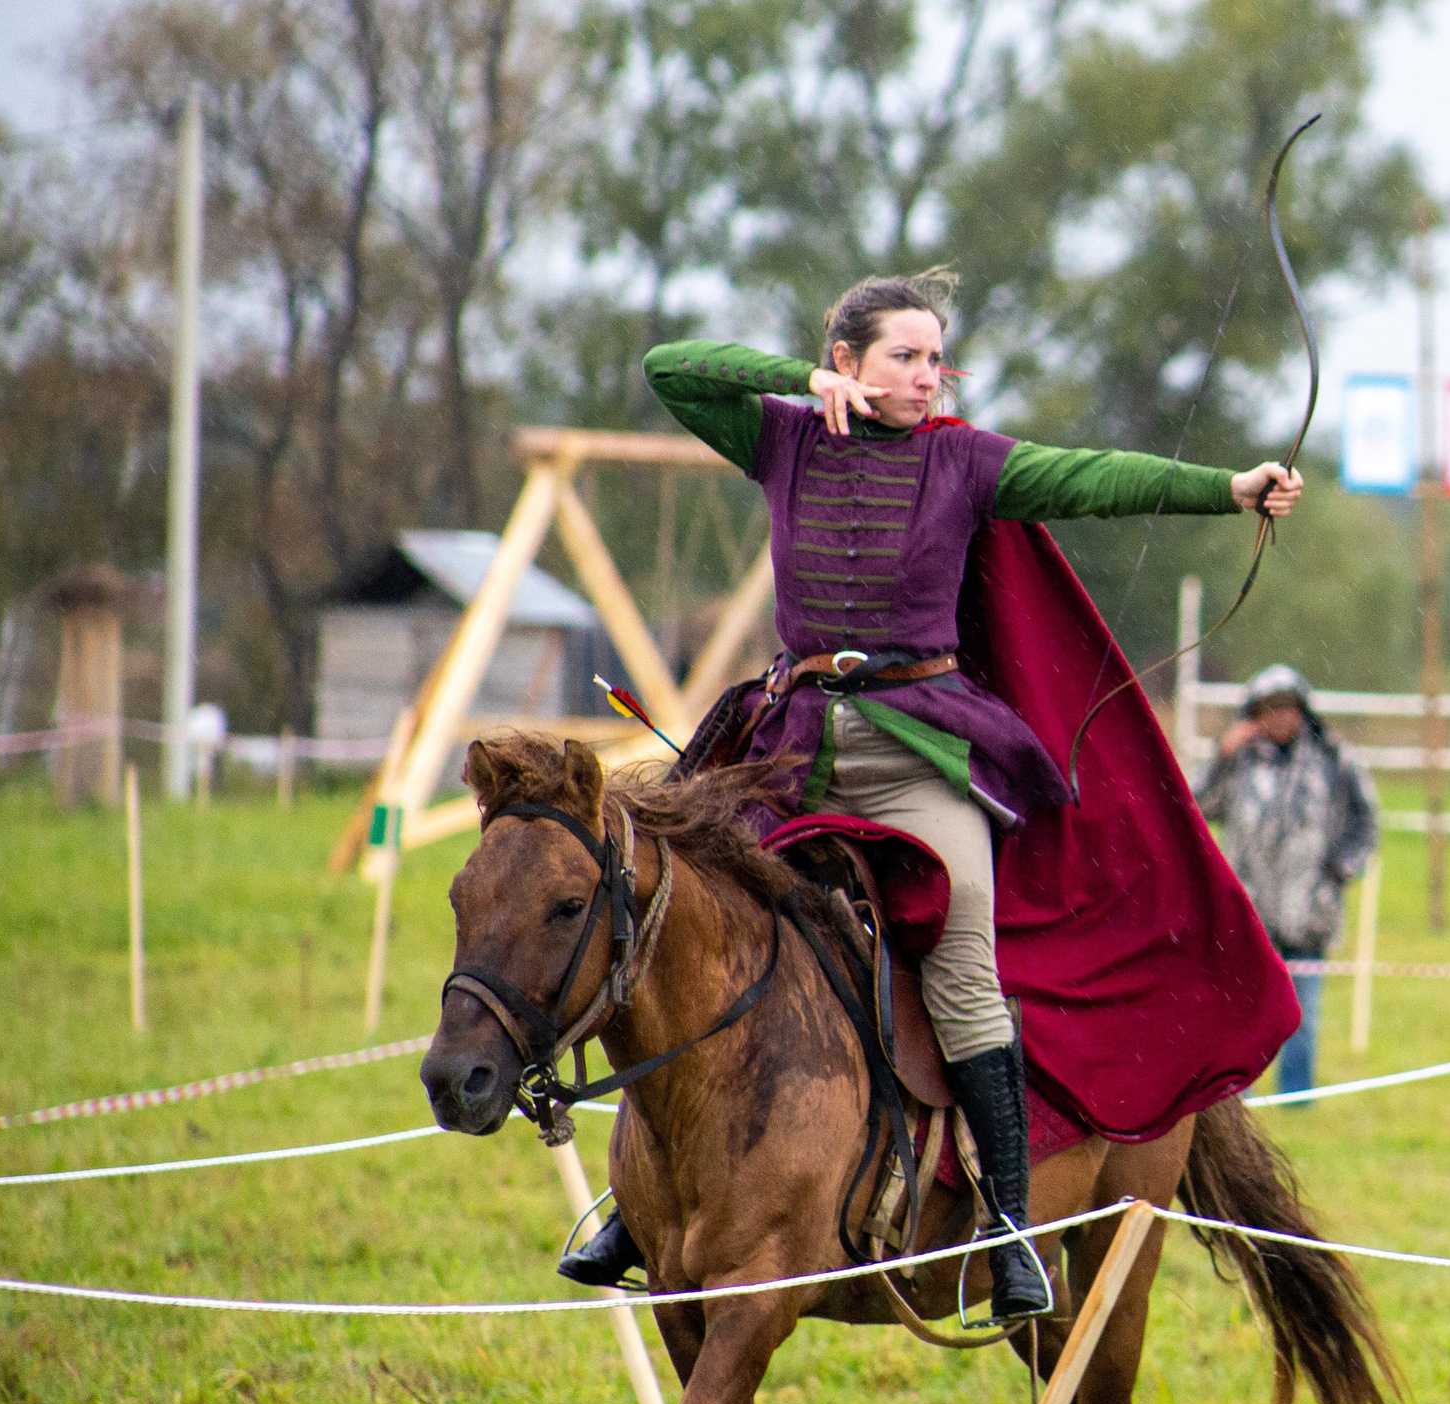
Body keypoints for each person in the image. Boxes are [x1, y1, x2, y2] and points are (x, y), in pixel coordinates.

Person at [557, 268, 1303, 1320]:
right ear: (849, 360)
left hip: (921, 755)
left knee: (960, 962)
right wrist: (799, 379)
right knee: (683, 920)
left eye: (936, 357)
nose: (928, 376)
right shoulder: (782, 439)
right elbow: (669, 370)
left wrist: (1227, 488)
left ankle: (1005, 1225)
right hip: (787, 751)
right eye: (904, 356)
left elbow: (1089, 475)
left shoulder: (964, 460)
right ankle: (638, 1203)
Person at [1196, 665, 1378, 1098]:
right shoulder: (1238, 762)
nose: (1280, 717)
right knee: (1243, 1015)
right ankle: (1238, 1102)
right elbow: (1195, 807)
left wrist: (1337, 871)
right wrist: (1221, 757)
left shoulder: (1334, 761)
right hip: (1248, 913)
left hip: (1308, 912)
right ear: (1253, 713)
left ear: (1303, 711)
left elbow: (1365, 823)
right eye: (1269, 708)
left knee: (1302, 1013)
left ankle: (1296, 1097)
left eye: (1288, 707)